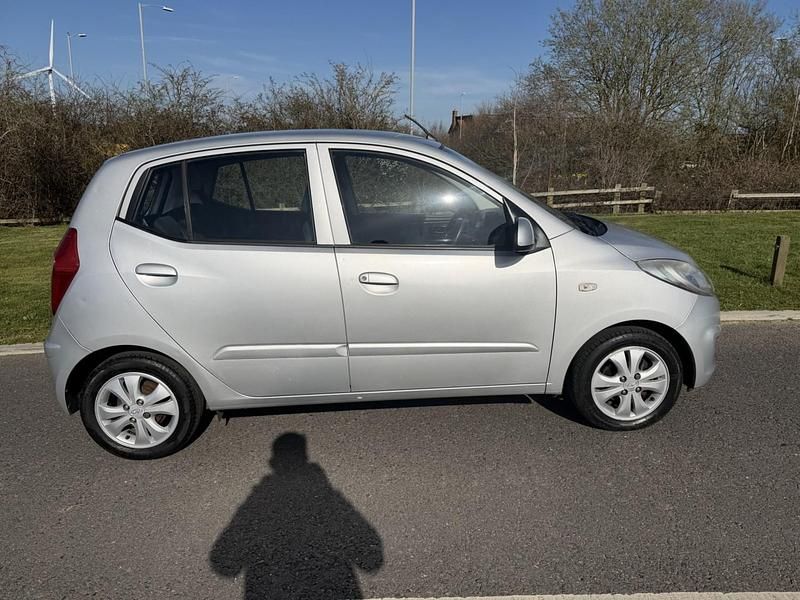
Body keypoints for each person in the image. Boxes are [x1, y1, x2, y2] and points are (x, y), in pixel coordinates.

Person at [210, 432, 383, 599]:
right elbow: (371, 559)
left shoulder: (259, 500)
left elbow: (223, 564)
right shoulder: (326, 496)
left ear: (274, 462)